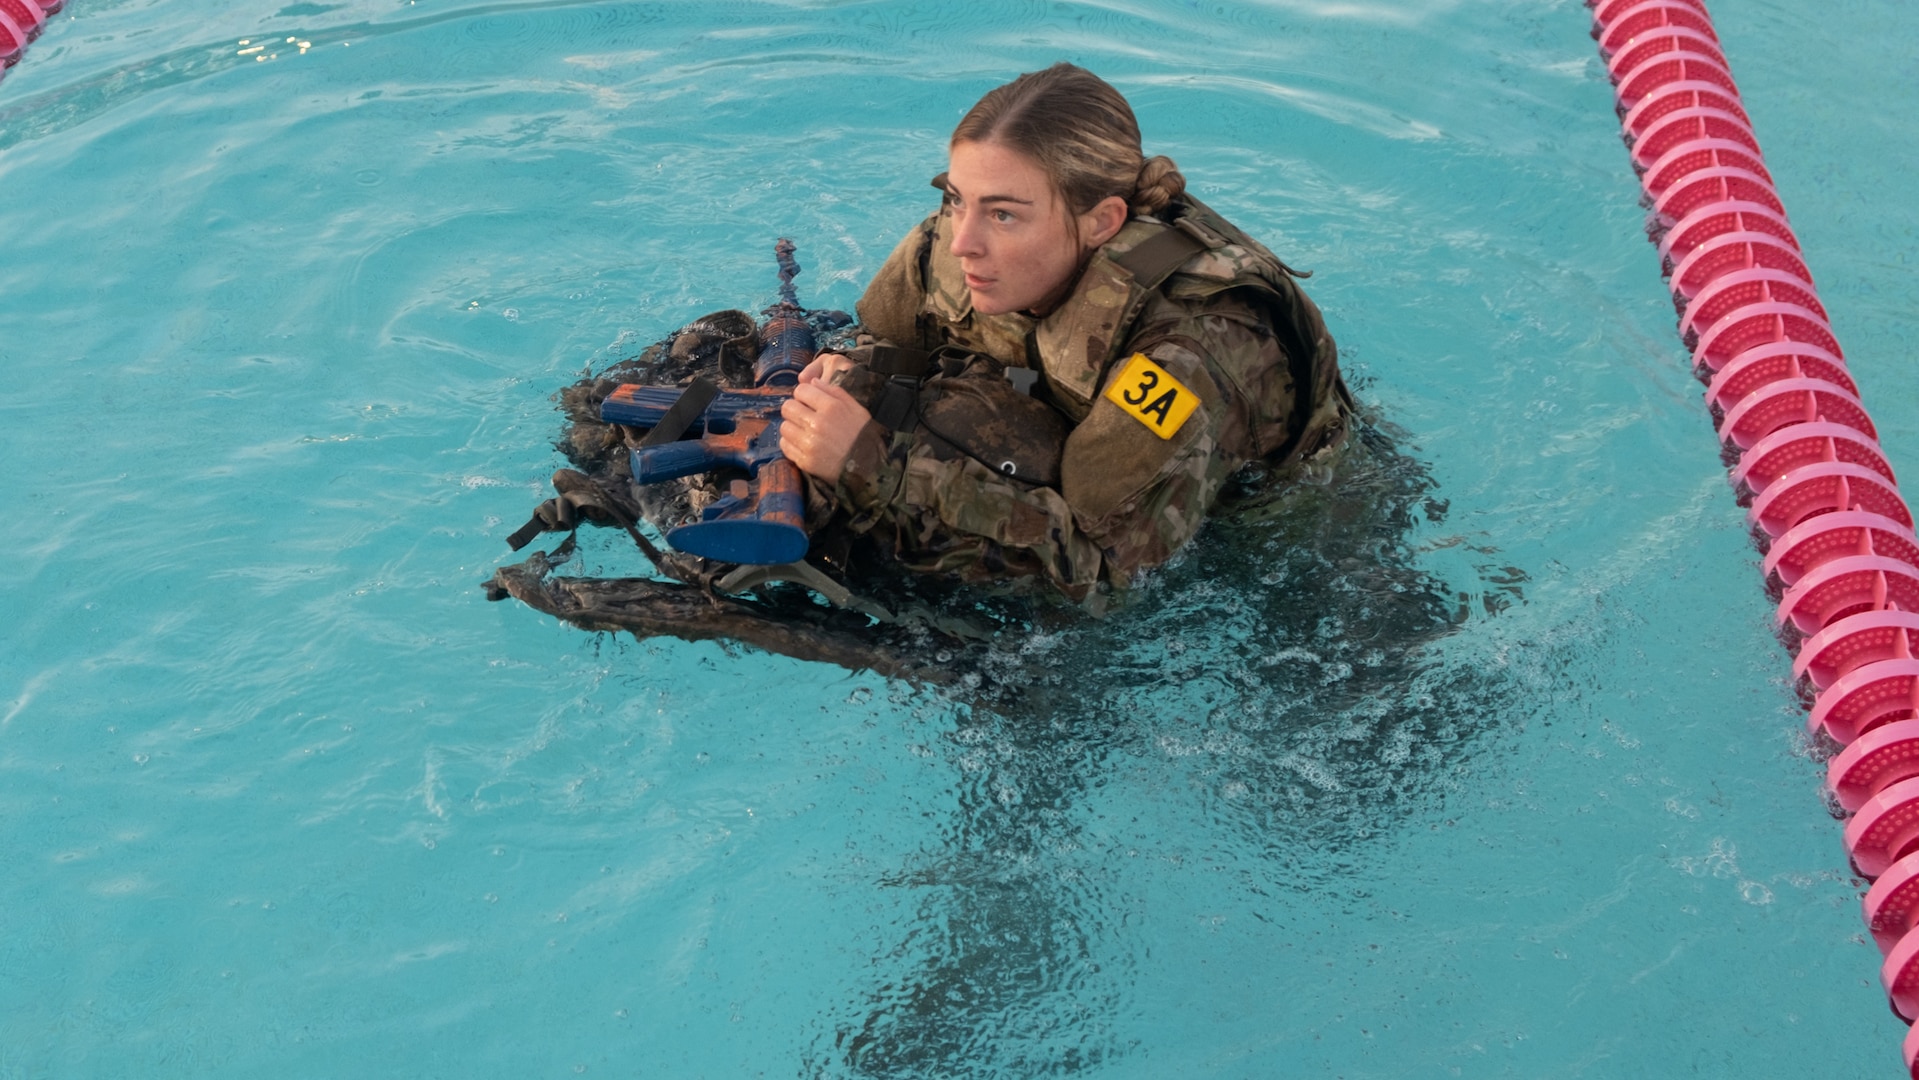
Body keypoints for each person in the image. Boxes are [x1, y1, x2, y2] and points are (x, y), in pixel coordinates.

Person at [776, 62, 1350, 611]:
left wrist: (871, 466)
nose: (962, 241)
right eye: (957, 199)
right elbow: (882, 344)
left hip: (1276, 543)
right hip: (1066, 428)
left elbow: (1102, 576)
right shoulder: (949, 246)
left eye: (1003, 215)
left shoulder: (1186, 352)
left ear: (1101, 221)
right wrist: (844, 372)